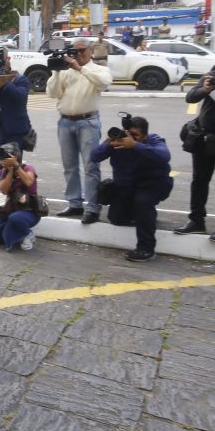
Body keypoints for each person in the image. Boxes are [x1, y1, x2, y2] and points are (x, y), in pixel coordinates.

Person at [45, 35, 112, 224]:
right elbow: (52, 93)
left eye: (83, 50)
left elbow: (103, 84)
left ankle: (92, 207)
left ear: (91, 51)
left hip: (88, 122)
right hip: (65, 122)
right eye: (75, 50)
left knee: (91, 166)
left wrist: (80, 68)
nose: (79, 54)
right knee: (69, 166)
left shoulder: (99, 69)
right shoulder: (66, 71)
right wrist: (57, 71)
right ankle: (75, 203)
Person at [90, 116, 173, 262]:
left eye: (135, 136)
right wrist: (108, 144)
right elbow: (94, 156)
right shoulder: (118, 142)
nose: (129, 138)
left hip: (151, 186)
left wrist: (135, 145)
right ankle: (144, 217)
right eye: (127, 134)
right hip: (127, 188)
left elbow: (164, 156)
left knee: (142, 201)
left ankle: (146, 249)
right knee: (116, 219)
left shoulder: (153, 140)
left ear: (144, 135)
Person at [177, 70, 215, 238]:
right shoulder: (212, 75)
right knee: (199, 181)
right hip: (204, 138)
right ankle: (196, 221)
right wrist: (205, 90)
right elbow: (191, 97)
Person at [0, 142, 40, 251]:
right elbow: (4, 190)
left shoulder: (28, 169)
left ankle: (28, 234)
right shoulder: (2, 172)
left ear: (16, 157)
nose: (2, 161)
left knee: (15, 218)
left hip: (28, 211)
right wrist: (10, 172)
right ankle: (15, 233)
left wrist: (16, 166)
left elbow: (29, 182)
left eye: (6, 157)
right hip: (9, 211)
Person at [0, 50, 31, 150]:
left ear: (9, 69)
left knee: (13, 162)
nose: (1, 70)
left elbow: (20, 96)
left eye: (3, 68)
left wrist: (5, 81)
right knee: (1, 161)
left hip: (16, 129)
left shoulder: (21, 80)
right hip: (3, 129)